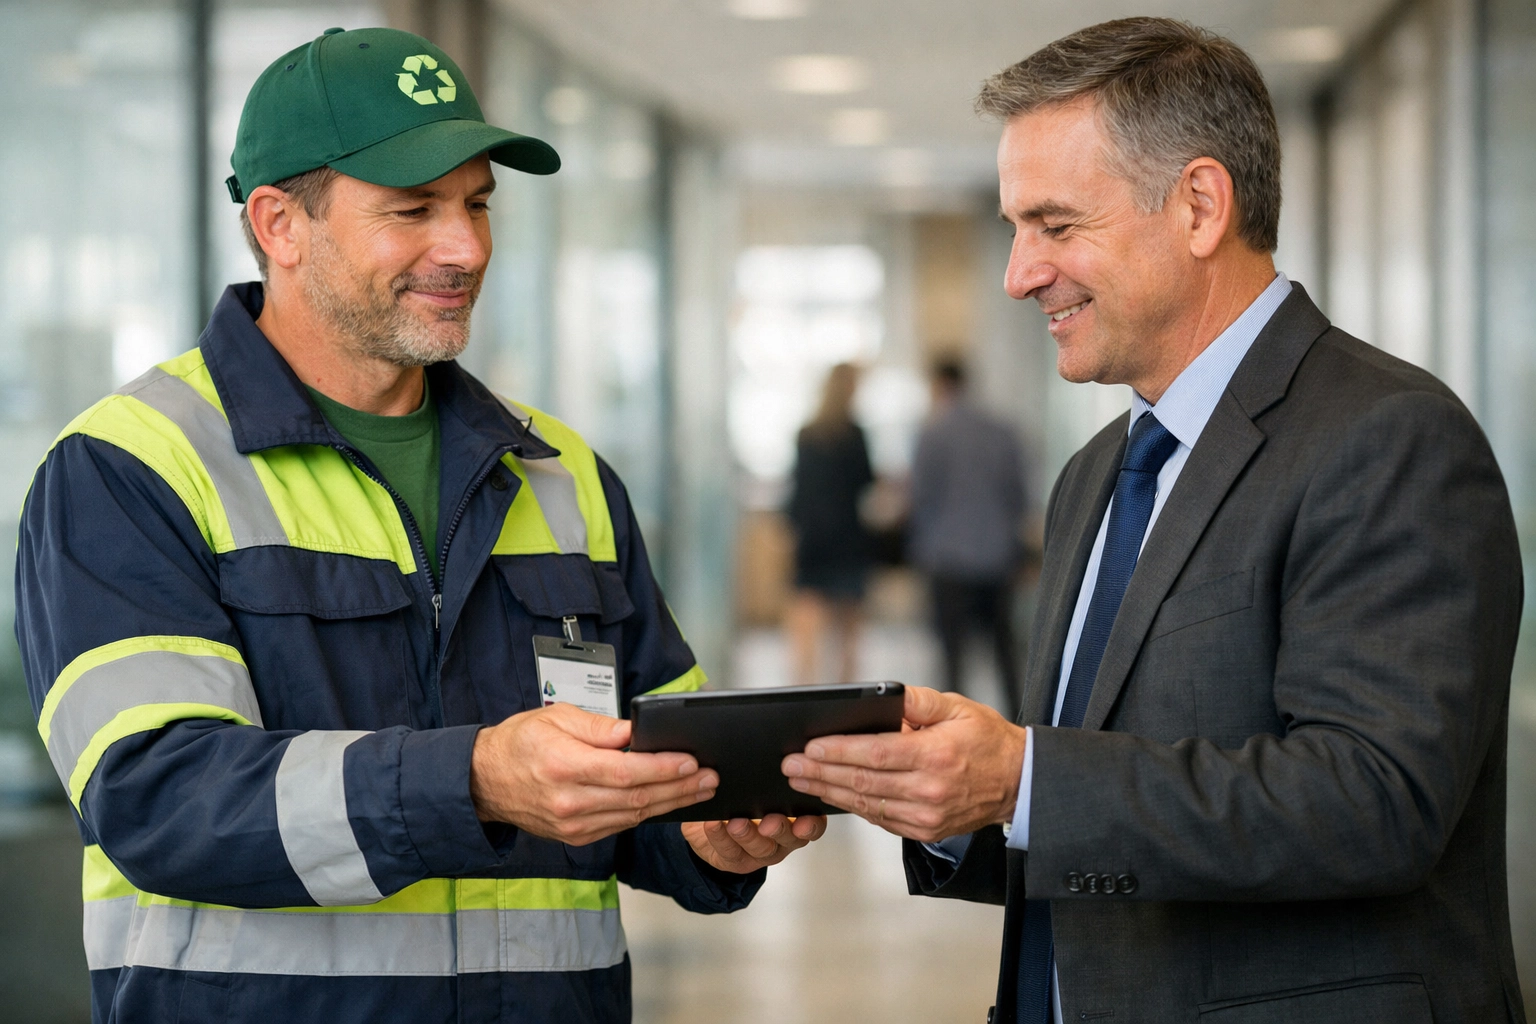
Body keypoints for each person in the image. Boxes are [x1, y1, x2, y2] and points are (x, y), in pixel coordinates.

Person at [15, 27, 823, 1024]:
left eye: (478, 203)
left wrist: (703, 832)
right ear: (279, 223)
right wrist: (474, 780)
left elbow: (644, 770)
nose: (467, 247)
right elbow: (158, 795)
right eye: (414, 209)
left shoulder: (563, 475)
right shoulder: (132, 468)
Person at [780, 17, 1524, 1023]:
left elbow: (1377, 800)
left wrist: (1024, 775)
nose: (1019, 272)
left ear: (1201, 206)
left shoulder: (1390, 438)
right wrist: (960, 804)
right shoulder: (1096, 474)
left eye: (1055, 224)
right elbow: (1104, 825)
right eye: (1014, 228)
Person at [909, 359, 1028, 716]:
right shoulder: (1003, 431)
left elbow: (921, 498)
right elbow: (1018, 496)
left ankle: (952, 725)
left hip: (948, 559)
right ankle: (1023, 725)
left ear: (939, 384)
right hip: (997, 556)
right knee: (1005, 650)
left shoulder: (933, 434)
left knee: (952, 655)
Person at [784, 362, 876, 685]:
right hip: (847, 536)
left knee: (807, 621)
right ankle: (846, 690)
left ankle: (803, 687)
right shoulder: (855, 435)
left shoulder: (806, 434)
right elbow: (866, 483)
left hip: (812, 537)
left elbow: (796, 489)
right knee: (848, 627)